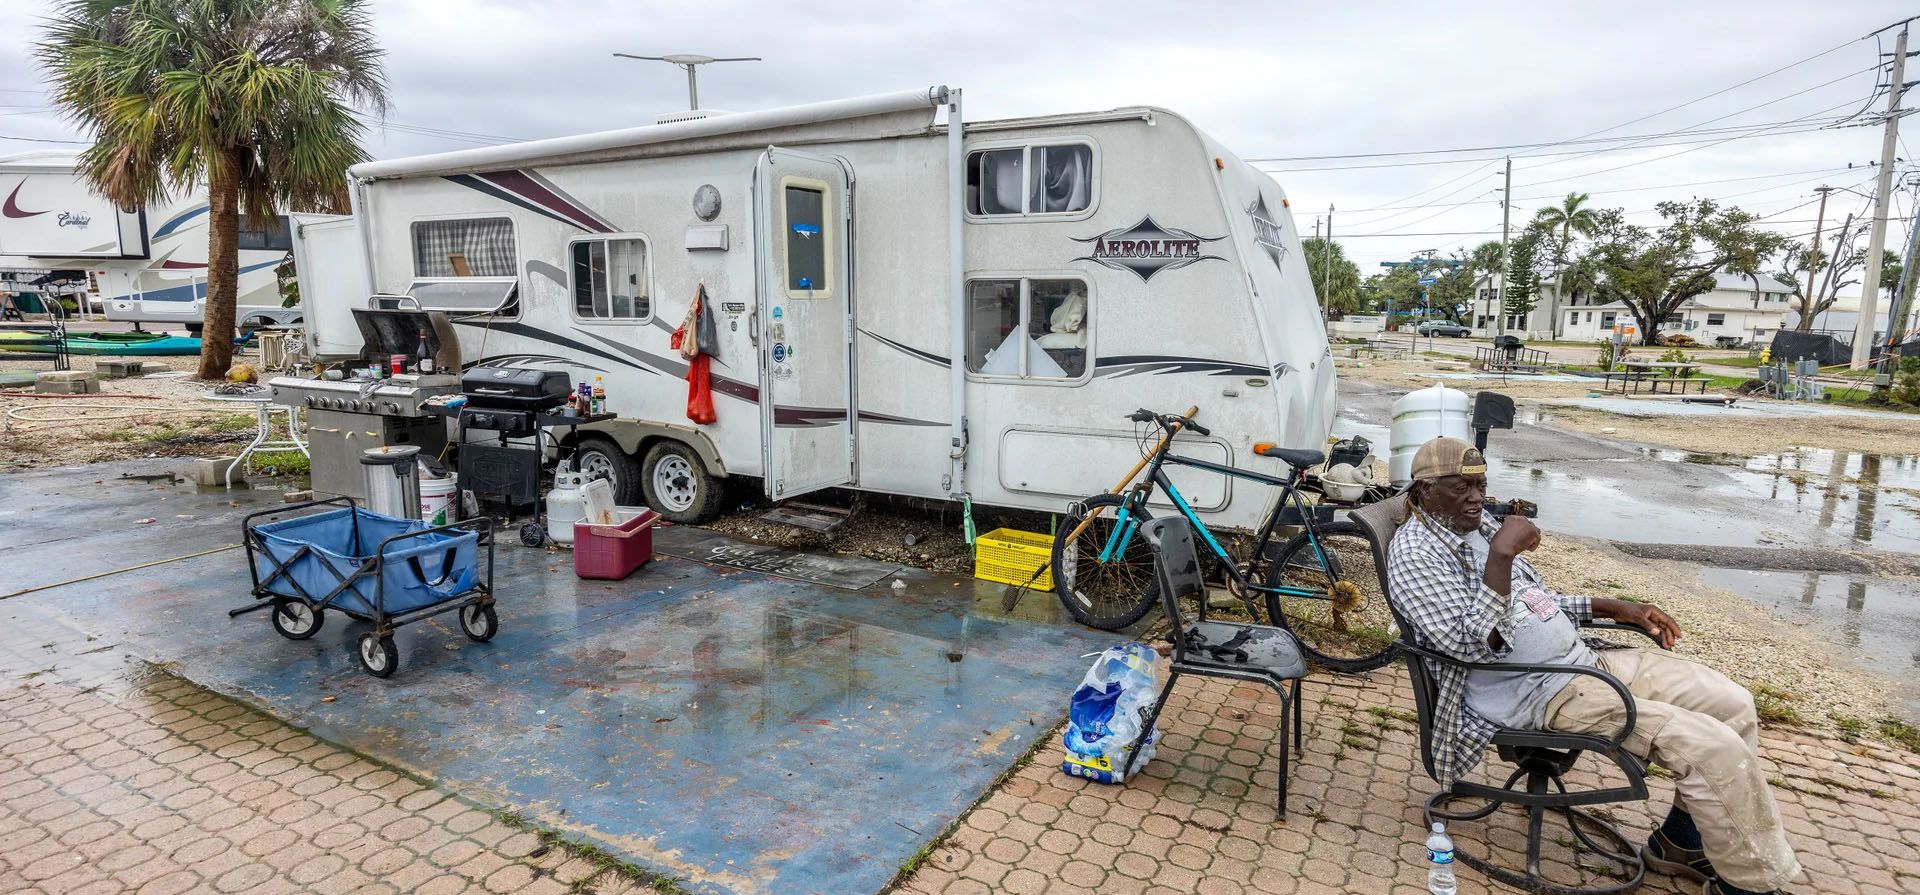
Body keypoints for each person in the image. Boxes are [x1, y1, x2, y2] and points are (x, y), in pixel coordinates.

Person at [1386, 436, 1798, 895]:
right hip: (1536, 692)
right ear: (1424, 490)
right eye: (1461, 487)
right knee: (1708, 746)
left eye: (1480, 484)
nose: (1477, 498)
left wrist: (1613, 606)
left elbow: (1532, 603)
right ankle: (1751, 883)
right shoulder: (1415, 554)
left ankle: (1679, 843)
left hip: (1584, 663)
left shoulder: (1476, 526)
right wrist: (1503, 554)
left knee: (1732, 704)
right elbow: (1474, 645)